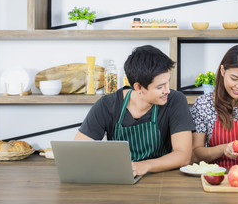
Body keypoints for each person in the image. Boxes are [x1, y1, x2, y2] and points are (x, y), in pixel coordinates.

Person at [75, 45, 195, 177]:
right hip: (120, 178)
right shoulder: (107, 105)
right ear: (138, 87)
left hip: (162, 180)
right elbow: (79, 150)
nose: (167, 90)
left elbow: (183, 156)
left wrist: (144, 166)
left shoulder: (175, 100)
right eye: (160, 86)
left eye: (168, 82)